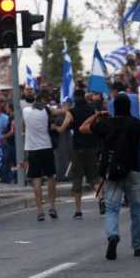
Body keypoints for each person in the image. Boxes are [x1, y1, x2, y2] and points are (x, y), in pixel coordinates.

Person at [80, 94, 140, 260]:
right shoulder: (136, 123)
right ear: (129, 107)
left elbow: (83, 128)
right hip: (133, 171)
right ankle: (138, 246)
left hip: (112, 173)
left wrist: (97, 115)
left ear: (114, 108)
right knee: (136, 209)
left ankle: (113, 236)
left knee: (112, 208)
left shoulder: (106, 123)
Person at [54, 89, 104, 218]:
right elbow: (97, 126)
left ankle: (78, 211)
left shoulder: (72, 112)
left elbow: (62, 129)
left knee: (77, 179)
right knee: (94, 178)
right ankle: (102, 198)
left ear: (75, 99)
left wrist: (55, 127)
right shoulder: (92, 111)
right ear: (85, 97)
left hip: (78, 149)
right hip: (92, 147)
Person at [23, 91, 59, 221]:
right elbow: (61, 112)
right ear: (43, 100)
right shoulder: (47, 111)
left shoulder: (26, 111)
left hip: (32, 149)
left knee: (36, 179)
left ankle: (39, 211)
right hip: (46, 147)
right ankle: (52, 207)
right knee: (51, 177)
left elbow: (23, 125)